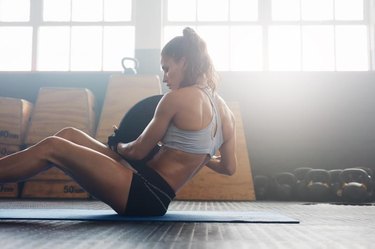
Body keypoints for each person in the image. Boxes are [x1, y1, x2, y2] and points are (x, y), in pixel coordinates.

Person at [0, 27, 237, 216]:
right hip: (149, 186)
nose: (165, 77)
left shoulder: (175, 99)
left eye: (167, 69)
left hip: (144, 193)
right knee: (69, 134)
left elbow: (136, 151)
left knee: (53, 146)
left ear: (183, 62)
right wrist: (200, 154)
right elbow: (228, 168)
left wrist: (118, 146)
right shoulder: (227, 114)